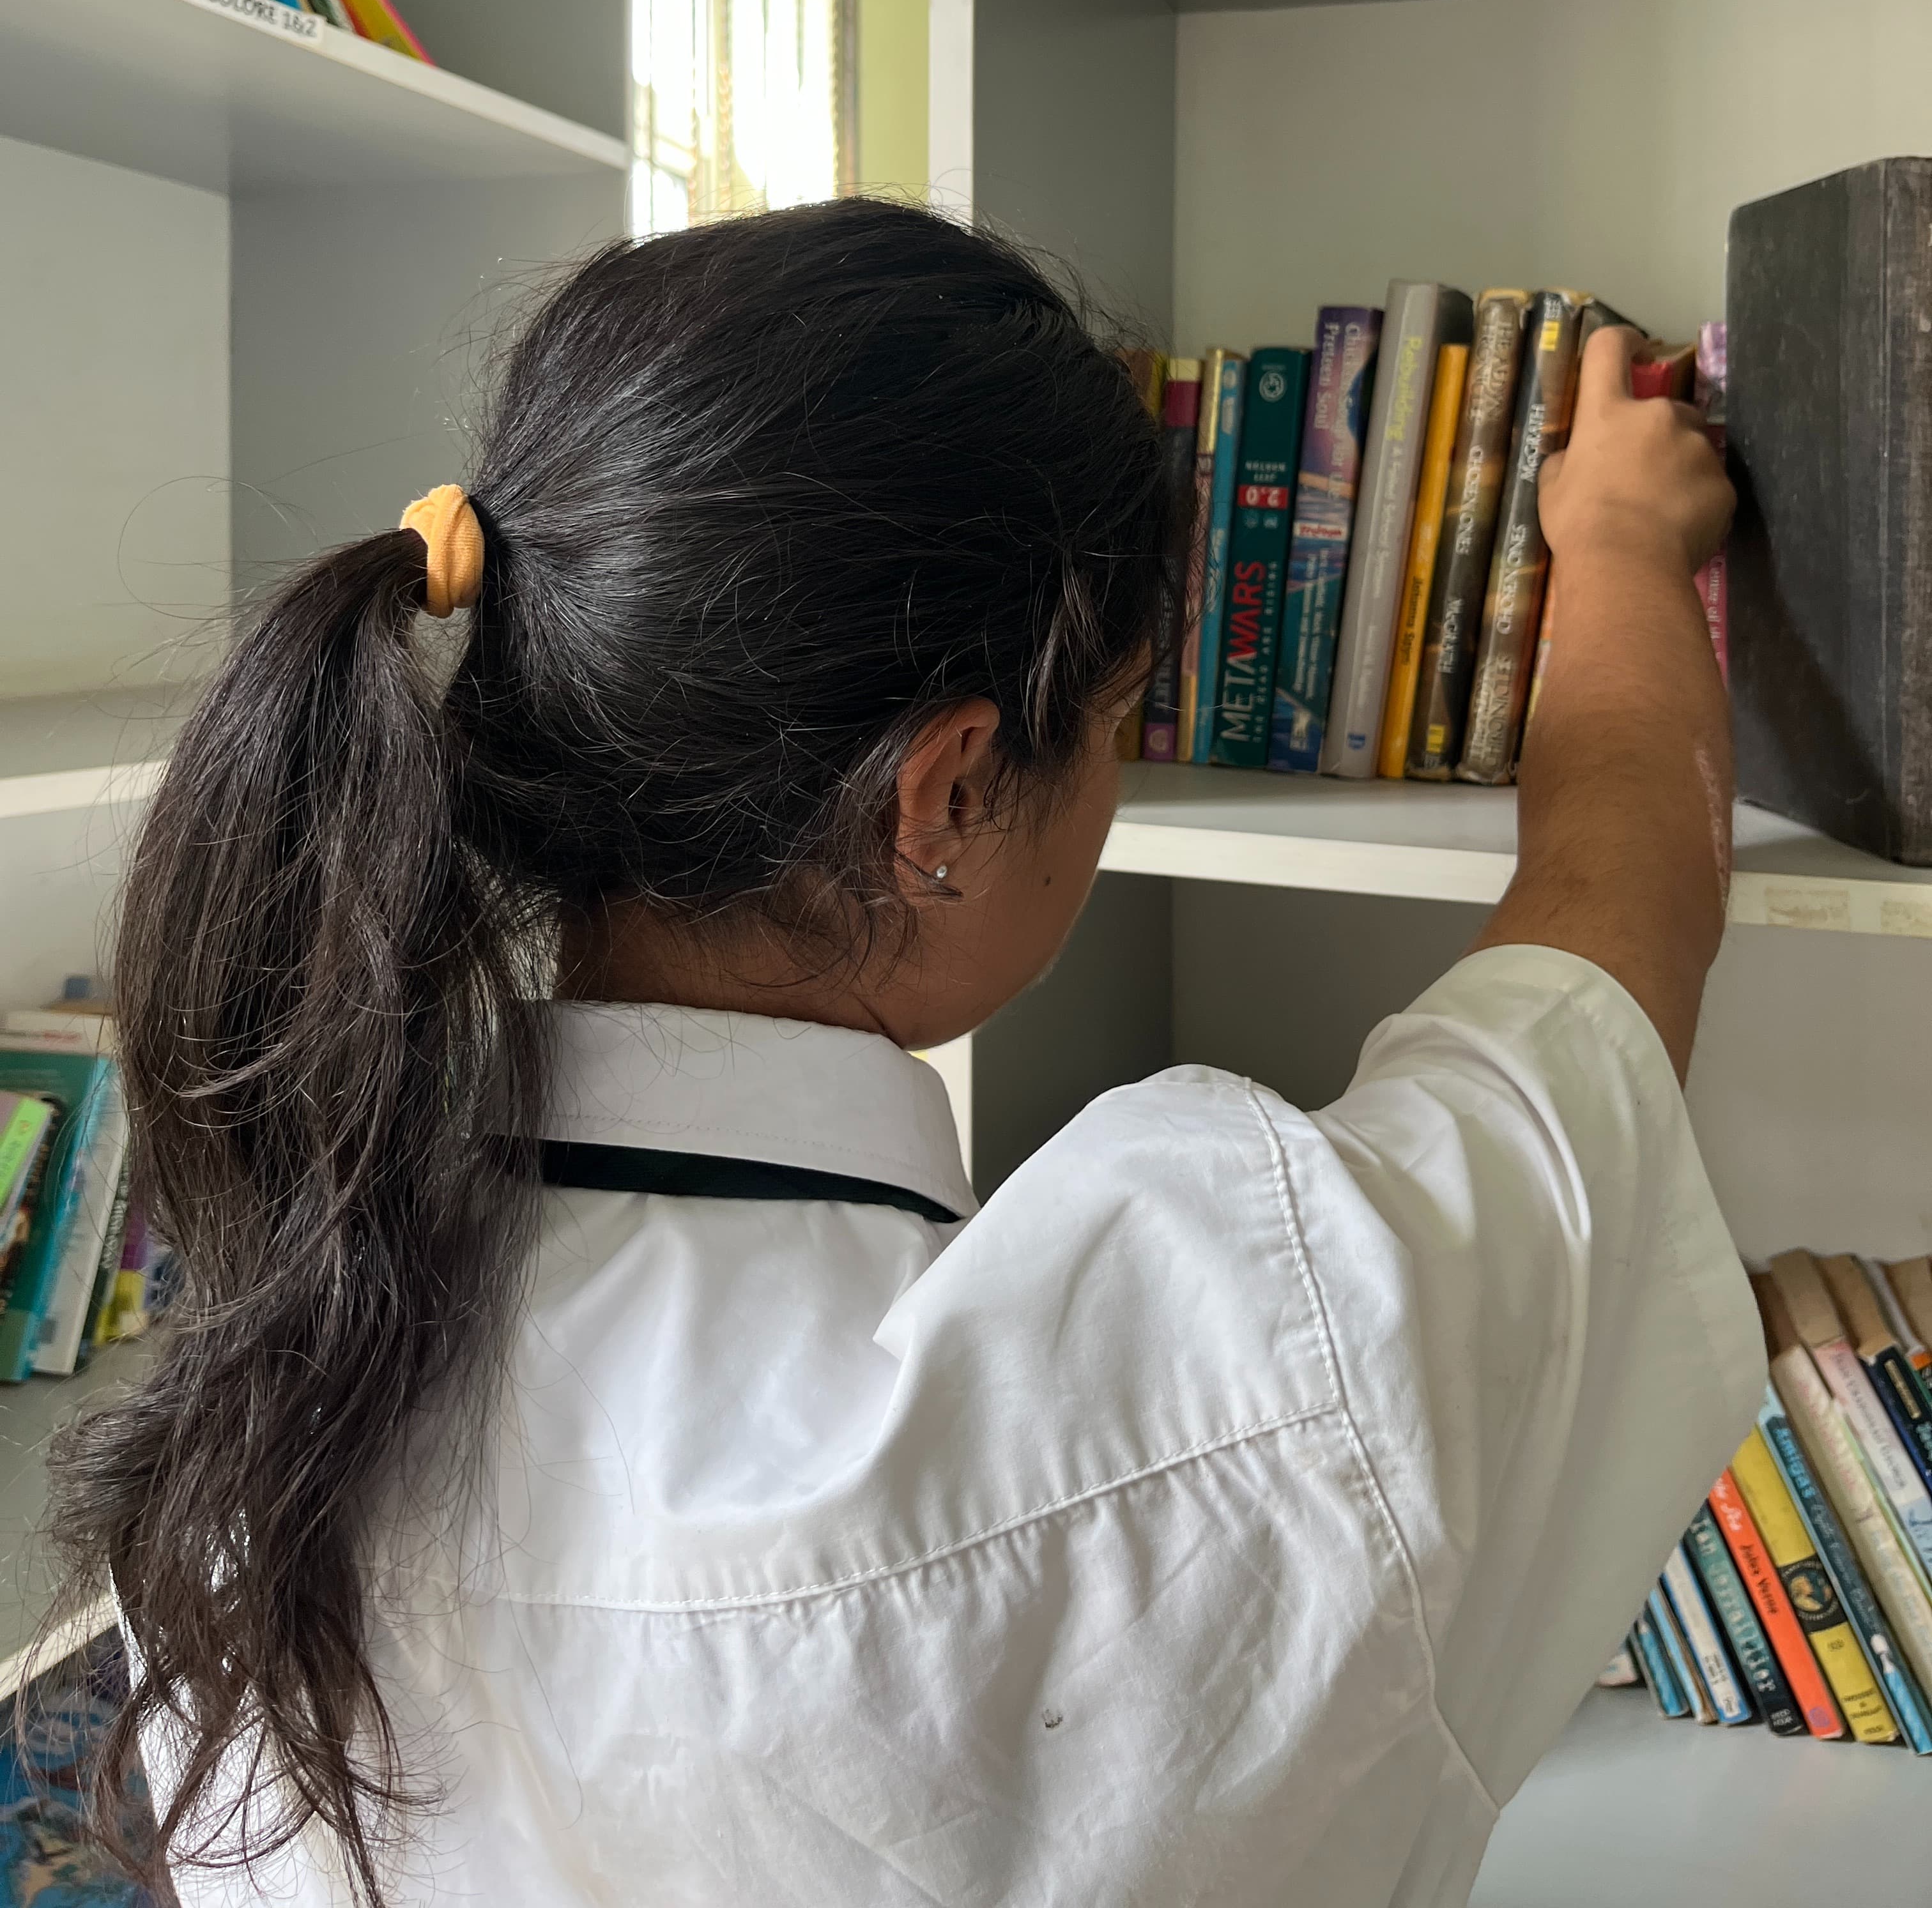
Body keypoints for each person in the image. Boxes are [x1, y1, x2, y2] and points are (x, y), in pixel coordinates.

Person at [51, 201, 1758, 1908]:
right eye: (1117, 719)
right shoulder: (1241, 1360)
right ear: (943, 797)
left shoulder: (266, 1405)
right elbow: (1610, 956)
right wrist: (1618, 541)